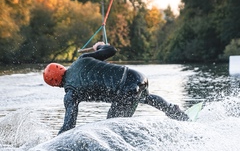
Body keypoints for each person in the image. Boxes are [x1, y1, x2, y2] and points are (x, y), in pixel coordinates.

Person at [43, 42, 189, 134]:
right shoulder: (82, 59)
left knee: (111, 128)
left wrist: (54, 143)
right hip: (138, 76)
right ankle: (175, 111)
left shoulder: (70, 94)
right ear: (62, 68)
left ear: (54, 84)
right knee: (145, 98)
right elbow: (110, 50)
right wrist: (99, 46)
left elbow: (69, 126)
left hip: (126, 90)